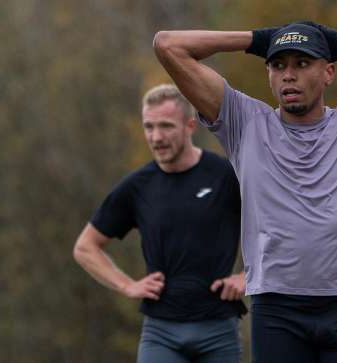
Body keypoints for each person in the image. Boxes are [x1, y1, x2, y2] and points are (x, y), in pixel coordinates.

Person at [154, 21, 337, 363]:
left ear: (328, 72)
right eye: (278, 64)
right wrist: (256, 40)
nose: (288, 75)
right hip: (278, 312)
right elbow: (168, 45)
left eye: (302, 63)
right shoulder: (244, 122)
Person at [73, 84, 247, 363]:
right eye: (148, 127)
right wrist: (126, 285)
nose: (156, 137)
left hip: (219, 330)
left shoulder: (227, 176)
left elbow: (281, 228)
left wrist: (248, 276)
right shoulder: (137, 187)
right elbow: (85, 247)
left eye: (166, 126)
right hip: (160, 334)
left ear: (190, 125)